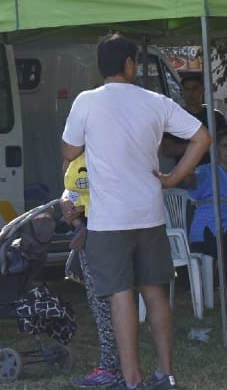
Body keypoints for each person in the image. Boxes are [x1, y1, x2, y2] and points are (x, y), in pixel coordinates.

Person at [62, 33, 210, 390]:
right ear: (130, 64)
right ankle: (166, 373)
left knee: (120, 295)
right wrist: (173, 177)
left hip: (108, 218)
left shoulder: (86, 101)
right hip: (150, 212)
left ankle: (131, 380)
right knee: (154, 292)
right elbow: (202, 137)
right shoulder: (155, 101)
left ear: (102, 66)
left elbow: (70, 152)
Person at [60, 154, 120, 388]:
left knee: (105, 302)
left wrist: (79, 208)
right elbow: (68, 191)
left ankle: (111, 368)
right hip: (92, 230)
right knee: (107, 301)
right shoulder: (74, 159)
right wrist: (67, 204)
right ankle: (120, 366)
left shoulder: (98, 153)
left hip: (104, 231)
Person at [161, 73, 226, 165]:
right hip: (185, 173)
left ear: (202, 90)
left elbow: (224, 145)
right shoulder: (174, 117)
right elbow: (167, 150)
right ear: (181, 92)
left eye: (195, 88)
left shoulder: (215, 116)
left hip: (213, 172)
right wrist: (199, 146)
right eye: (187, 89)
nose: (191, 93)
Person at [185, 129, 227, 259]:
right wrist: (189, 169)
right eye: (225, 146)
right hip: (208, 233)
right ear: (216, 150)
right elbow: (190, 181)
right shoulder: (205, 171)